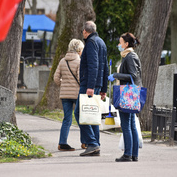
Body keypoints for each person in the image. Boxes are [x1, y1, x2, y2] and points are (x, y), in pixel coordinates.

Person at [74, 21, 108, 156]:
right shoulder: (101, 42)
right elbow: (104, 67)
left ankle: (92, 143)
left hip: (89, 84)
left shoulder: (90, 43)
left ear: (84, 31)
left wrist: (90, 87)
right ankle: (95, 146)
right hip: (96, 84)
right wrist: (103, 88)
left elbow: (93, 66)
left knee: (80, 113)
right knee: (92, 114)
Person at [108, 32, 142, 162]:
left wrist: (116, 75)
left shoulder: (130, 56)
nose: (119, 45)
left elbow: (133, 76)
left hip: (127, 94)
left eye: (120, 42)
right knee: (131, 124)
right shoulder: (129, 55)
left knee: (126, 125)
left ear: (126, 44)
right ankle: (133, 154)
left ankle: (128, 154)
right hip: (130, 94)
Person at [54, 39, 84, 151]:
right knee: (81, 118)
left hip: (65, 95)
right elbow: (81, 79)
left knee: (67, 119)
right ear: (79, 49)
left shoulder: (62, 61)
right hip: (76, 94)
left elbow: (56, 78)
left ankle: (62, 143)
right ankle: (85, 141)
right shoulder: (79, 61)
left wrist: (64, 85)